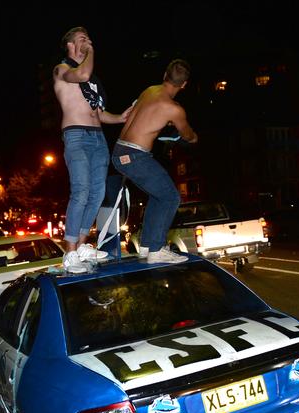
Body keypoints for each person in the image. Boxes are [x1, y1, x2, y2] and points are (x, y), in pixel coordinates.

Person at [53, 26, 133, 272]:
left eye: (89, 38)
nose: (87, 41)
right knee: (81, 191)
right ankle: (70, 251)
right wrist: (91, 51)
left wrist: (120, 117)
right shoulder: (63, 69)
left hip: (98, 138)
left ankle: (83, 244)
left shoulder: (93, 82)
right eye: (82, 39)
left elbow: (99, 114)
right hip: (76, 135)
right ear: (70, 45)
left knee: (97, 193)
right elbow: (84, 73)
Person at [111, 59, 198, 264]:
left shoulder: (149, 90)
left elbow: (138, 113)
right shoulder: (174, 108)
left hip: (120, 151)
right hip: (135, 156)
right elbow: (187, 135)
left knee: (158, 195)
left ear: (164, 76)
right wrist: (194, 137)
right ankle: (157, 249)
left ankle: (147, 247)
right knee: (171, 197)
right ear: (184, 85)